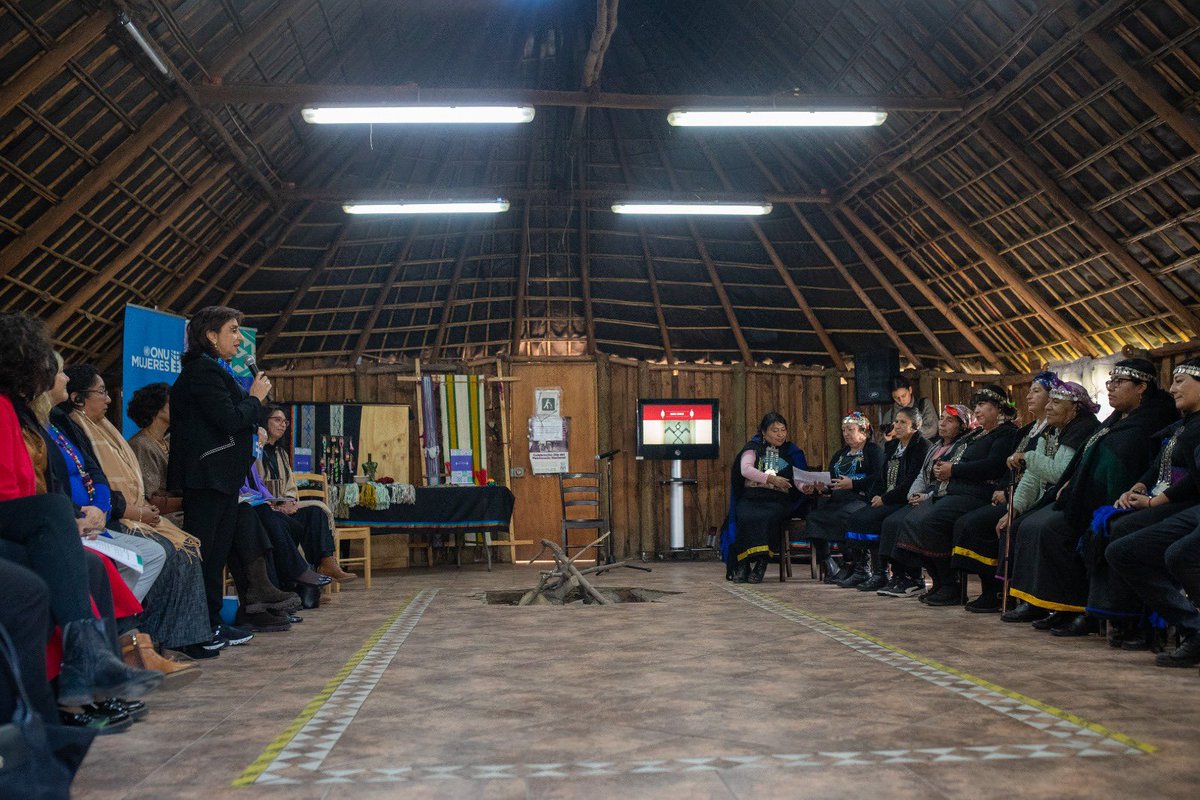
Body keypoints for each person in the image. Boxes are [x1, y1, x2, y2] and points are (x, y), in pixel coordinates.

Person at [0, 312, 162, 710]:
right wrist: (64, 521)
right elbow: (14, 493)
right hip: (22, 526)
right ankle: (83, 669)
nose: (60, 376)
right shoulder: (11, 411)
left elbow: (84, 477)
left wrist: (79, 516)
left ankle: (93, 677)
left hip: (30, 526)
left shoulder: (25, 416)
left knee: (91, 566)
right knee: (56, 520)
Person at [1005, 359, 1178, 634]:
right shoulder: (1115, 419)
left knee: (1053, 529)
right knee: (1030, 524)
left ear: (1141, 387)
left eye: (1119, 383)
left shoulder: (1152, 418)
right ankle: (1055, 605)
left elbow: (1133, 465)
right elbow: (1088, 460)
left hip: (1115, 499)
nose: (1111, 388)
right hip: (1085, 494)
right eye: (1110, 382)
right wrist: (1073, 481)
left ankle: (1082, 609)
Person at [62, 364, 210, 670]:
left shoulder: (95, 429)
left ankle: (179, 639)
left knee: (186, 549)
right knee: (168, 552)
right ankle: (146, 641)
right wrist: (129, 510)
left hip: (111, 512)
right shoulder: (70, 426)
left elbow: (96, 478)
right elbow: (80, 481)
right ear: (77, 398)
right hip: (103, 517)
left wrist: (110, 507)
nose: (108, 399)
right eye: (101, 392)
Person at [168, 305, 268, 649]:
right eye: (233, 330)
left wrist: (253, 405)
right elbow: (228, 419)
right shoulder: (203, 373)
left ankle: (211, 622)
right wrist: (254, 399)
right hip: (207, 475)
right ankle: (196, 627)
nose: (240, 339)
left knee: (216, 555)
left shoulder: (215, 370)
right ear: (211, 336)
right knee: (204, 554)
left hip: (223, 477)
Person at [1084, 358, 1200, 647]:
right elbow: (1158, 465)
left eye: (1180, 381)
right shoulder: (1183, 425)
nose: (1172, 389)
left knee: (1127, 533)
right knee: (1109, 525)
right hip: (1164, 498)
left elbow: (1196, 478)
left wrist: (1154, 502)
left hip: (1184, 502)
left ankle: (1146, 622)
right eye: (1172, 381)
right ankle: (1122, 617)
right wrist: (1136, 487)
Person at [892, 385, 1021, 605]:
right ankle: (939, 581)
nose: (977, 410)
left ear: (999, 409)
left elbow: (992, 466)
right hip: (957, 491)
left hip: (979, 494)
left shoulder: (1006, 433)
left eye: (983, 405)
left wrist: (954, 470)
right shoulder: (979, 434)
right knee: (911, 520)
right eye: (976, 406)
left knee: (933, 521)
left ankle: (952, 584)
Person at [948, 372, 1058, 612]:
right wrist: (1001, 488)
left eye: (1036, 391)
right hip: (1011, 493)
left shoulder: (1051, 431)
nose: (1028, 395)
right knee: (970, 521)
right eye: (1029, 391)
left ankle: (1000, 591)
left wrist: (1010, 495)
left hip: (1035, 496)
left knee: (977, 522)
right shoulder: (1027, 430)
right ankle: (990, 588)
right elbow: (1008, 467)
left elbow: (1036, 470)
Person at [877, 405, 974, 597]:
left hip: (942, 496)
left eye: (950, 420)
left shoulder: (961, 447)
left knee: (904, 521)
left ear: (962, 426)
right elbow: (921, 475)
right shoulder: (936, 446)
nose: (942, 423)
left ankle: (920, 578)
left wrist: (926, 497)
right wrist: (913, 495)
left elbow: (951, 480)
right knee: (893, 521)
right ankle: (921, 578)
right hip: (923, 496)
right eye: (942, 418)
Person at [259, 404, 355, 581]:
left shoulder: (281, 453)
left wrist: (288, 501)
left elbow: (290, 486)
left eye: (285, 422)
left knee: (315, 512)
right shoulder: (255, 450)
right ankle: (305, 578)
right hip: (264, 511)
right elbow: (253, 483)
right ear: (265, 422)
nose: (282, 425)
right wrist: (275, 504)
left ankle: (326, 564)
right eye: (277, 420)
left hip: (283, 509)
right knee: (284, 520)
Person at [842, 407, 930, 593]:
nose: (896, 426)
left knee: (883, 521)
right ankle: (867, 571)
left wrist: (885, 499)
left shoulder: (921, 446)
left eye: (902, 422)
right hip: (888, 498)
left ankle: (895, 574)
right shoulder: (893, 447)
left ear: (915, 426)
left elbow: (911, 481)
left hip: (904, 499)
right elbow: (881, 477)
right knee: (857, 518)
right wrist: (876, 495)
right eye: (896, 421)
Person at [722, 412, 809, 583]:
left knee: (767, 516)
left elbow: (800, 480)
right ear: (763, 432)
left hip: (778, 500)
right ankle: (743, 564)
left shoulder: (792, 452)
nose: (780, 434)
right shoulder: (752, 448)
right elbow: (745, 470)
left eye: (783, 430)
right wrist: (770, 478)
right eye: (775, 430)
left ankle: (762, 562)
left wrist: (808, 487)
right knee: (744, 515)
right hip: (751, 498)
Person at [804, 411, 884, 584]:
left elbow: (879, 477)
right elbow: (832, 480)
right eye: (843, 430)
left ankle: (856, 566)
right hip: (838, 499)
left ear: (864, 432)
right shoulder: (840, 454)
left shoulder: (873, 451)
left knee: (845, 517)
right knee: (813, 518)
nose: (846, 433)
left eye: (850, 429)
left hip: (861, 498)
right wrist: (822, 486)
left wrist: (854, 484)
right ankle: (830, 564)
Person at [126, 382, 183, 527]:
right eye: (171, 402)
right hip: (163, 517)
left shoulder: (168, 441)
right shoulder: (141, 444)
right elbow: (152, 500)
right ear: (155, 407)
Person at [880, 375, 938, 440]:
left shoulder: (924, 405)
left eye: (903, 396)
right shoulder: (889, 415)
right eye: (896, 398)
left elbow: (931, 429)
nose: (901, 400)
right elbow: (882, 442)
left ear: (910, 390)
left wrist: (903, 434)